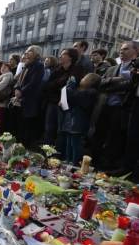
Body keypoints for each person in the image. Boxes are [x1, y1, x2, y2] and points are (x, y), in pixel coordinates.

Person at [91, 41, 137, 170]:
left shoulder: (135, 70)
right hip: (105, 107)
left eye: (126, 49)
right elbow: (101, 83)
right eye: (121, 49)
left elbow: (130, 86)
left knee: (114, 138)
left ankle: (107, 166)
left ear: (135, 52)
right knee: (99, 135)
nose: (122, 52)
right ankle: (94, 162)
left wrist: (111, 85)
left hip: (121, 109)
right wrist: (115, 81)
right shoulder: (111, 69)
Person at [42, 48, 85, 145]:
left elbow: (71, 86)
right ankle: (46, 150)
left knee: (60, 130)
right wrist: (60, 82)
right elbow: (48, 86)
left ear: (71, 57)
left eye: (63, 54)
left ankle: (57, 154)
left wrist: (58, 84)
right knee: (49, 128)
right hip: (53, 102)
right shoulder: (57, 69)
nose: (60, 56)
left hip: (66, 105)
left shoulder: (77, 69)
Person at [60, 73, 100, 165]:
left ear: (91, 82)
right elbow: (71, 100)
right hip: (71, 120)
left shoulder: (91, 92)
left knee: (75, 144)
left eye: (84, 78)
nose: (81, 79)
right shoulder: (81, 90)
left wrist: (69, 86)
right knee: (68, 143)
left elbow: (74, 96)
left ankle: (74, 163)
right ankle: (67, 161)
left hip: (79, 122)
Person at [14, 45, 45, 149]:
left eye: (30, 51)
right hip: (21, 100)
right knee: (20, 124)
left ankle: (24, 148)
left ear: (36, 54)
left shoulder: (39, 66)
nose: (26, 53)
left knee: (27, 126)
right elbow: (19, 80)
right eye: (26, 51)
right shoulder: (26, 65)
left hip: (30, 100)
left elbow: (33, 82)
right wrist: (17, 88)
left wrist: (21, 91)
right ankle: (18, 146)